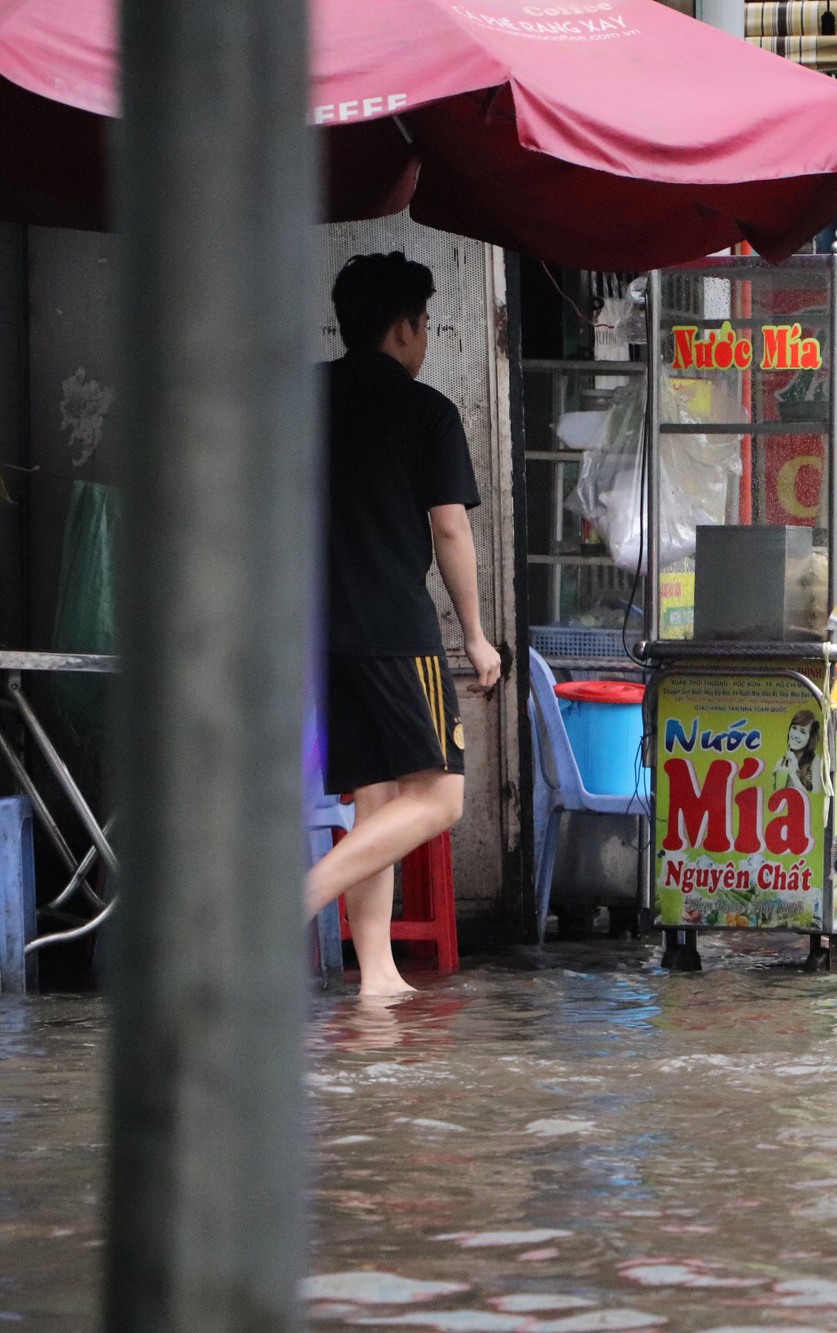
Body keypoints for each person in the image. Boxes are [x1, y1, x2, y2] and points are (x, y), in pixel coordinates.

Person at [303, 252, 502, 997]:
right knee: (441, 797)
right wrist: (477, 636)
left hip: (324, 629)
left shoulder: (306, 396)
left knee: (378, 802)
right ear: (402, 330)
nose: (425, 339)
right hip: (394, 627)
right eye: (424, 325)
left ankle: (378, 974)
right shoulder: (427, 411)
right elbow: (450, 531)